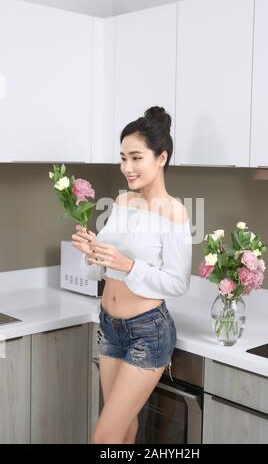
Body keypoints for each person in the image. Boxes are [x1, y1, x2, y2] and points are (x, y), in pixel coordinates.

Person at [72, 106, 192, 444]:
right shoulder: (123, 203)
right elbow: (105, 264)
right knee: (123, 430)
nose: (126, 167)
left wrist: (128, 266)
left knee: (103, 437)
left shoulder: (176, 213)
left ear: (161, 157)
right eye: (123, 157)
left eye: (136, 157)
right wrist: (91, 251)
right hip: (111, 326)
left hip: (148, 333)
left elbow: (178, 282)